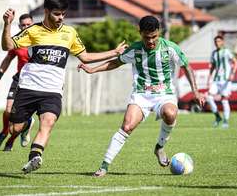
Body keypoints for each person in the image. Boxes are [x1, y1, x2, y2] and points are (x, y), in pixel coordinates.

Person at [1, 0, 127, 174]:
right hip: (29, 87)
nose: (61, 18)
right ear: (46, 11)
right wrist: (7, 25)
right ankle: (26, 124)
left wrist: (114, 52)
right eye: (56, 14)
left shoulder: (70, 33)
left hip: (52, 90)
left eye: (63, 14)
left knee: (48, 122)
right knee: (15, 128)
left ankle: (35, 157)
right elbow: (7, 46)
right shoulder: (33, 31)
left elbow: (85, 57)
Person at [78, 15, 205, 177]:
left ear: (159, 32)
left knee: (170, 113)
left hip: (164, 94)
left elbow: (187, 66)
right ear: (140, 33)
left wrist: (196, 91)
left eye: (154, 37)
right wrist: (93, 69)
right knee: (127, 126)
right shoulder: (135, 49)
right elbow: (116, 62)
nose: (150, 41)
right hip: (141, 95)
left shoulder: (170, 48)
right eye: (147, 37)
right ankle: (104, 166)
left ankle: (159, 147)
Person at [0, 14, 35, 151]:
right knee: (8, 110)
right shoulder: (17, 41)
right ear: (19, 26)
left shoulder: (40, 40)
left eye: (29, 24)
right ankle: (4, 131)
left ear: (33, 24)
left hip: (35, 81)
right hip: (19, 79)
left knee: (17, 123)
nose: (26, 27)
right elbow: (7, 59)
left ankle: (11, 140)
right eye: (23, 25)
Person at [206, 35, 237, 128]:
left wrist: (232, 74)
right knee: (209, 97)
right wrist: (209, 78)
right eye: (216, 41)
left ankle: (226, 121)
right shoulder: (214, 53)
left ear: (222, 42)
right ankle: (217, 117)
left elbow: (235, 62)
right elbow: (212, 67)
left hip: (226, 80)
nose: (217, 43)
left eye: (219, 41)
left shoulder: (227, 51)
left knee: (224, 99)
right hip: (216, 80)